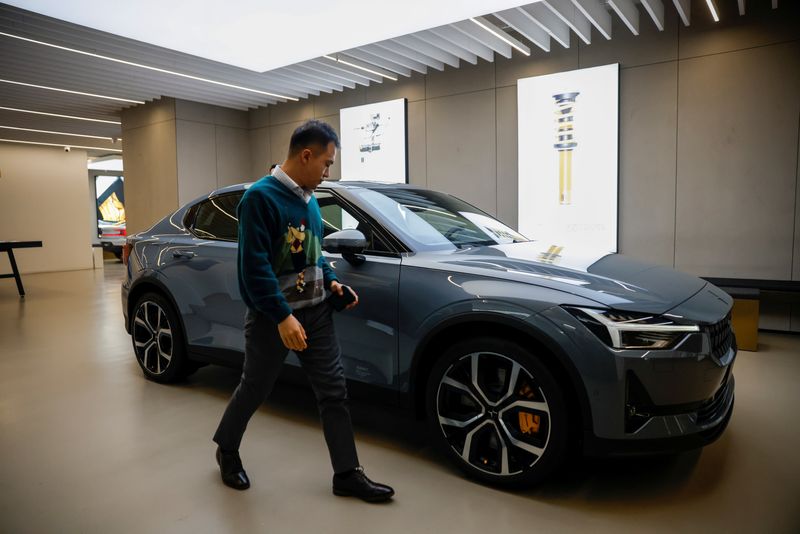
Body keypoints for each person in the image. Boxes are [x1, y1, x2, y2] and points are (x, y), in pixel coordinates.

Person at [212, 120, 394, 503]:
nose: (329, 172)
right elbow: (254, 270)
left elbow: (312, 256)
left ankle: (347, 473)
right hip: (272, 318)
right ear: (306, 155)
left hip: (315, 314)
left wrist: (331, 282)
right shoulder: (260, 199)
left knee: (334, 393)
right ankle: (227, 449)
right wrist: (282, 317)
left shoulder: (309, 200)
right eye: (327, 163)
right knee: (255, 388)